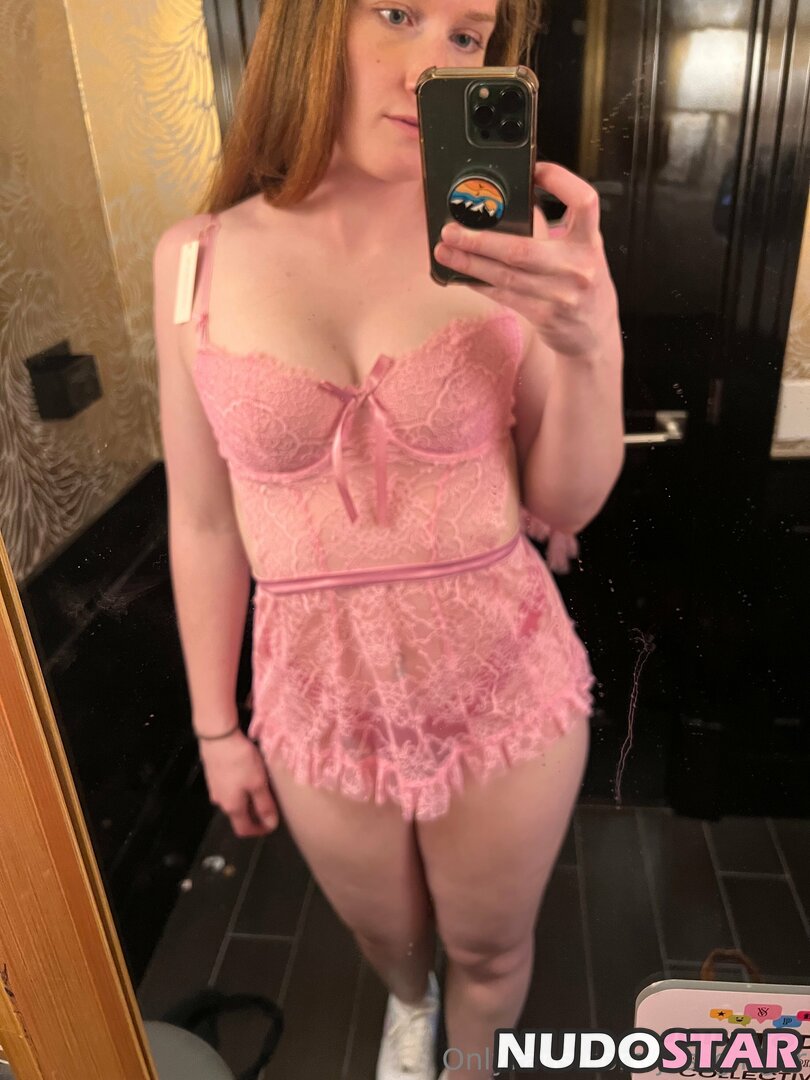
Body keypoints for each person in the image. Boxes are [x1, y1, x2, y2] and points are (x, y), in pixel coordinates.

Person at [152, 0, 625, 1077]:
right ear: (312, 25)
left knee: (492, 949)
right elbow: (205, 517)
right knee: (392, 944)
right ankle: (413, 1015)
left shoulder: (505, 242)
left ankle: (469, 1061)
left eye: (466, 36)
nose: (429, 66)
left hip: (502, 678)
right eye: (399, 13)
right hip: (316, 695)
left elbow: (565, 502)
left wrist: (592, 346)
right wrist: (216, 729)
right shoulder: (194, 260)